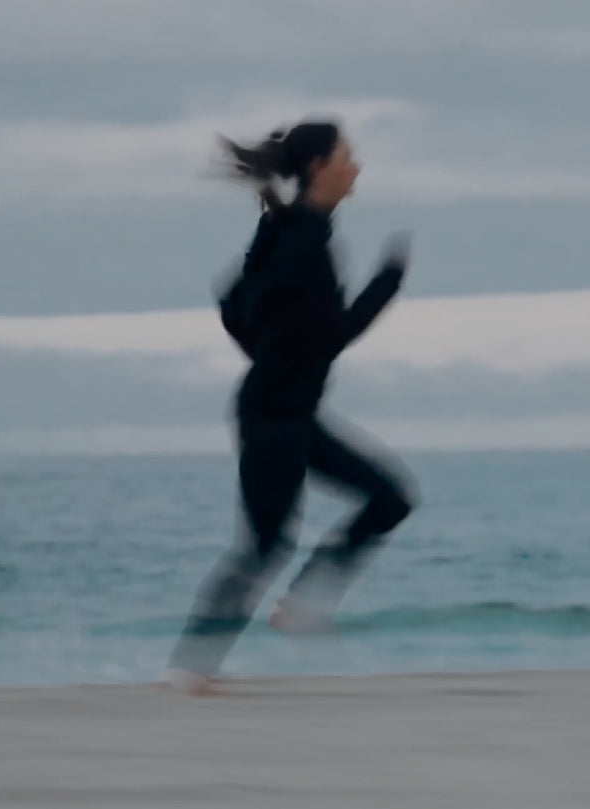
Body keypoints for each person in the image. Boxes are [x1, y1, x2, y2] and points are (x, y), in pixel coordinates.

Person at [164, 119, 418, 694]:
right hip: (275, 413)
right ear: (318, 167)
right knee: (264, 544)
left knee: (389, 498)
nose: (356, 167)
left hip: (290, 410)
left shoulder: (293, 229)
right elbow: (329, 332)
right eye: (347, 156)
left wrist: (270, 349)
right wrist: (386, 284)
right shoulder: (301, 240)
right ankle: (188, 667)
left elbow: (233, 300)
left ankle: (297, 607)